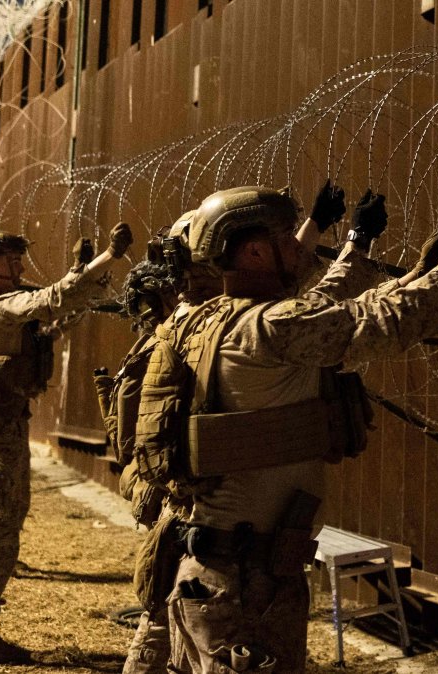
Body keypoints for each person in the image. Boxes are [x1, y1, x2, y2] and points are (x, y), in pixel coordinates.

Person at [130, 184, 438, 674]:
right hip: (245, 585)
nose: (300, 247)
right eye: (287, 239)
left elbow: (323, 305)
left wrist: (411, 273)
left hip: (208, 574)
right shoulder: (269, 328)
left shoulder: (203, 320)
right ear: (255, 251)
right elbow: (375, 323)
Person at [114, 181, 349, 674]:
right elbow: (294, 300)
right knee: (163, 634)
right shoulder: (199, 321)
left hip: (195, 523)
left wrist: (322, 231)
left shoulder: (199, 318)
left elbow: (288, 285)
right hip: (198, 525)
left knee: (167, 638)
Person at [0, 223, 134, 664]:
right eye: (10, 259)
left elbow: (53, 316)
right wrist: (109, 258)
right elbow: (50, 300)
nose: (19, 265)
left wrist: (83, 280)